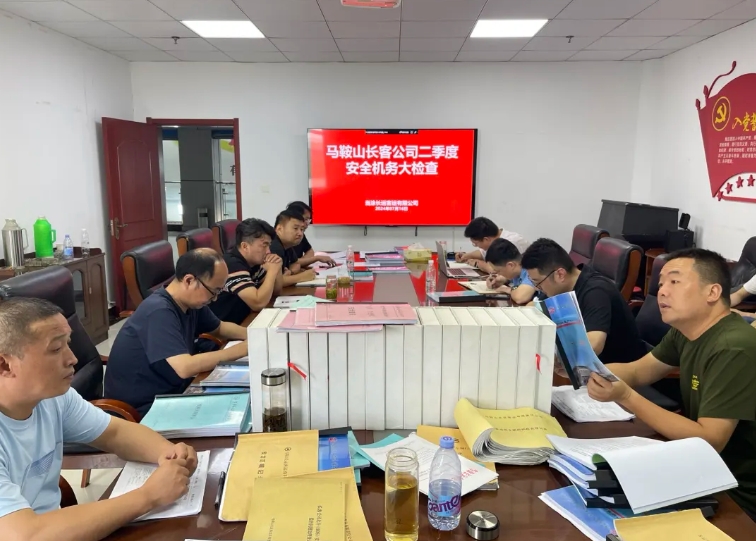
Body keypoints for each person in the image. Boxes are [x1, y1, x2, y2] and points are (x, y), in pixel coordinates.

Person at [0, 298, 197, 541]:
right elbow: (26, 535)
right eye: (56, 349)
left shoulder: (54, 398)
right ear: (4, 364)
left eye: (68, 344)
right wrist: (148, 496)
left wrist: (169, 455)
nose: (72, 358)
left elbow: (115, 433)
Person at [586, 249, 756, 519]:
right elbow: (638, 371)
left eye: (675, 281)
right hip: (699, 466)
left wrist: (626, 396)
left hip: (735, 493)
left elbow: (710, 440)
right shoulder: (687, 331)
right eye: (661, 282)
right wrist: (588, 370)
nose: (662, 291)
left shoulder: (733, 346)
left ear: (712, 292)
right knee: (592, 484)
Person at [105, 249, 248, 416]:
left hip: (173, 388)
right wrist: (243, 349)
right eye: (214, 291)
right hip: (142, 407)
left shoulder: (190, 302)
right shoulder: (158, 311)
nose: (215, 298)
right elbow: (185, 367)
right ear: (189, 280)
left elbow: (220, 328)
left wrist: (257, 334)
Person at [521, 238, 647, 364]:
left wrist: (552, 357)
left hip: (618, 368)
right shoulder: (562, 286)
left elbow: (594, 344)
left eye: (538, 283)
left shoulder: (596, 291)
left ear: (560, 274)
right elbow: (533, 306)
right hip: (587, 365)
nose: (537, 288)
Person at [209, 218, 283, 324]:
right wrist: (272, 271)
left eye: (269, 245)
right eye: (264, 245)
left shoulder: (253, 262)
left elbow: (275, 291)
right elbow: (258, 303)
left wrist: (277, 267)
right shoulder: (231, 265)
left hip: (244, 319)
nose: (268, 251)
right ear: (245, 246)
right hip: (223, 329)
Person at [456, 217, 529, 274]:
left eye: (476, 244)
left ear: (486, 239)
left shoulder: (510, 243)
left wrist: (478, 264)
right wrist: (465, 256)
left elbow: (497, 271)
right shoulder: (494, 240)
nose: (477, 246)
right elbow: (482, 253)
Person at [271, 209, 318, 287]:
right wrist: (302, 277)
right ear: (279, 229)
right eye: (295, 228)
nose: (300, 233)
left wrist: (290, 272)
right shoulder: (274, 247)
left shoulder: (288, 245)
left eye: (302, 229)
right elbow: (274, 283)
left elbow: (295, 264)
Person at [483, 238, 537, 305]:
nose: (498, 274)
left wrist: (506, 289)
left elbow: (520, 298)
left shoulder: (531, 269)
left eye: (498, 271)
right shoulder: (517, 268)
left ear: (510, 265)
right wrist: (503, 279)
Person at [286, 201, 335, 268]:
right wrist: (316, 258)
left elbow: (310, 252)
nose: (307, 223)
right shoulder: (285, 238)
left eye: (308, 220)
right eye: (306, 219)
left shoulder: (300, 234)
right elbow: (290, 263)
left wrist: (300, 263)